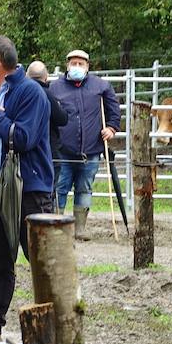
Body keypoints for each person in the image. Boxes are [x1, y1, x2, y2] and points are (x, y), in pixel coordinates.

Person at [0, 36, 54, 342]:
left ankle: (57, 320)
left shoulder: (30, 93)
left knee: (40, 258)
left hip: (29, 188)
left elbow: (23, 139)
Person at [49, 49, 120, 241]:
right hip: (63, 150)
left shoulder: (101, 86)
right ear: (67, 65)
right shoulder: (54, 88)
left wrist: (112, 128)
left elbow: (114, 112)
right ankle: (57, 226)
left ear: (87, 66)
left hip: (92, 150)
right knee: (60, 187)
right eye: (74, 63)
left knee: (85, 188)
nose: (77, 67)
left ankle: (80, 229)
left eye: (81, 64)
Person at [28, 61, 69, 188]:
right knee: (48, 189)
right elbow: (62, 119)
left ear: (27, 76)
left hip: (26, 150)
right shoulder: (47, 94)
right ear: (46, 77)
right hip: (48, 150)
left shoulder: (22, 93)